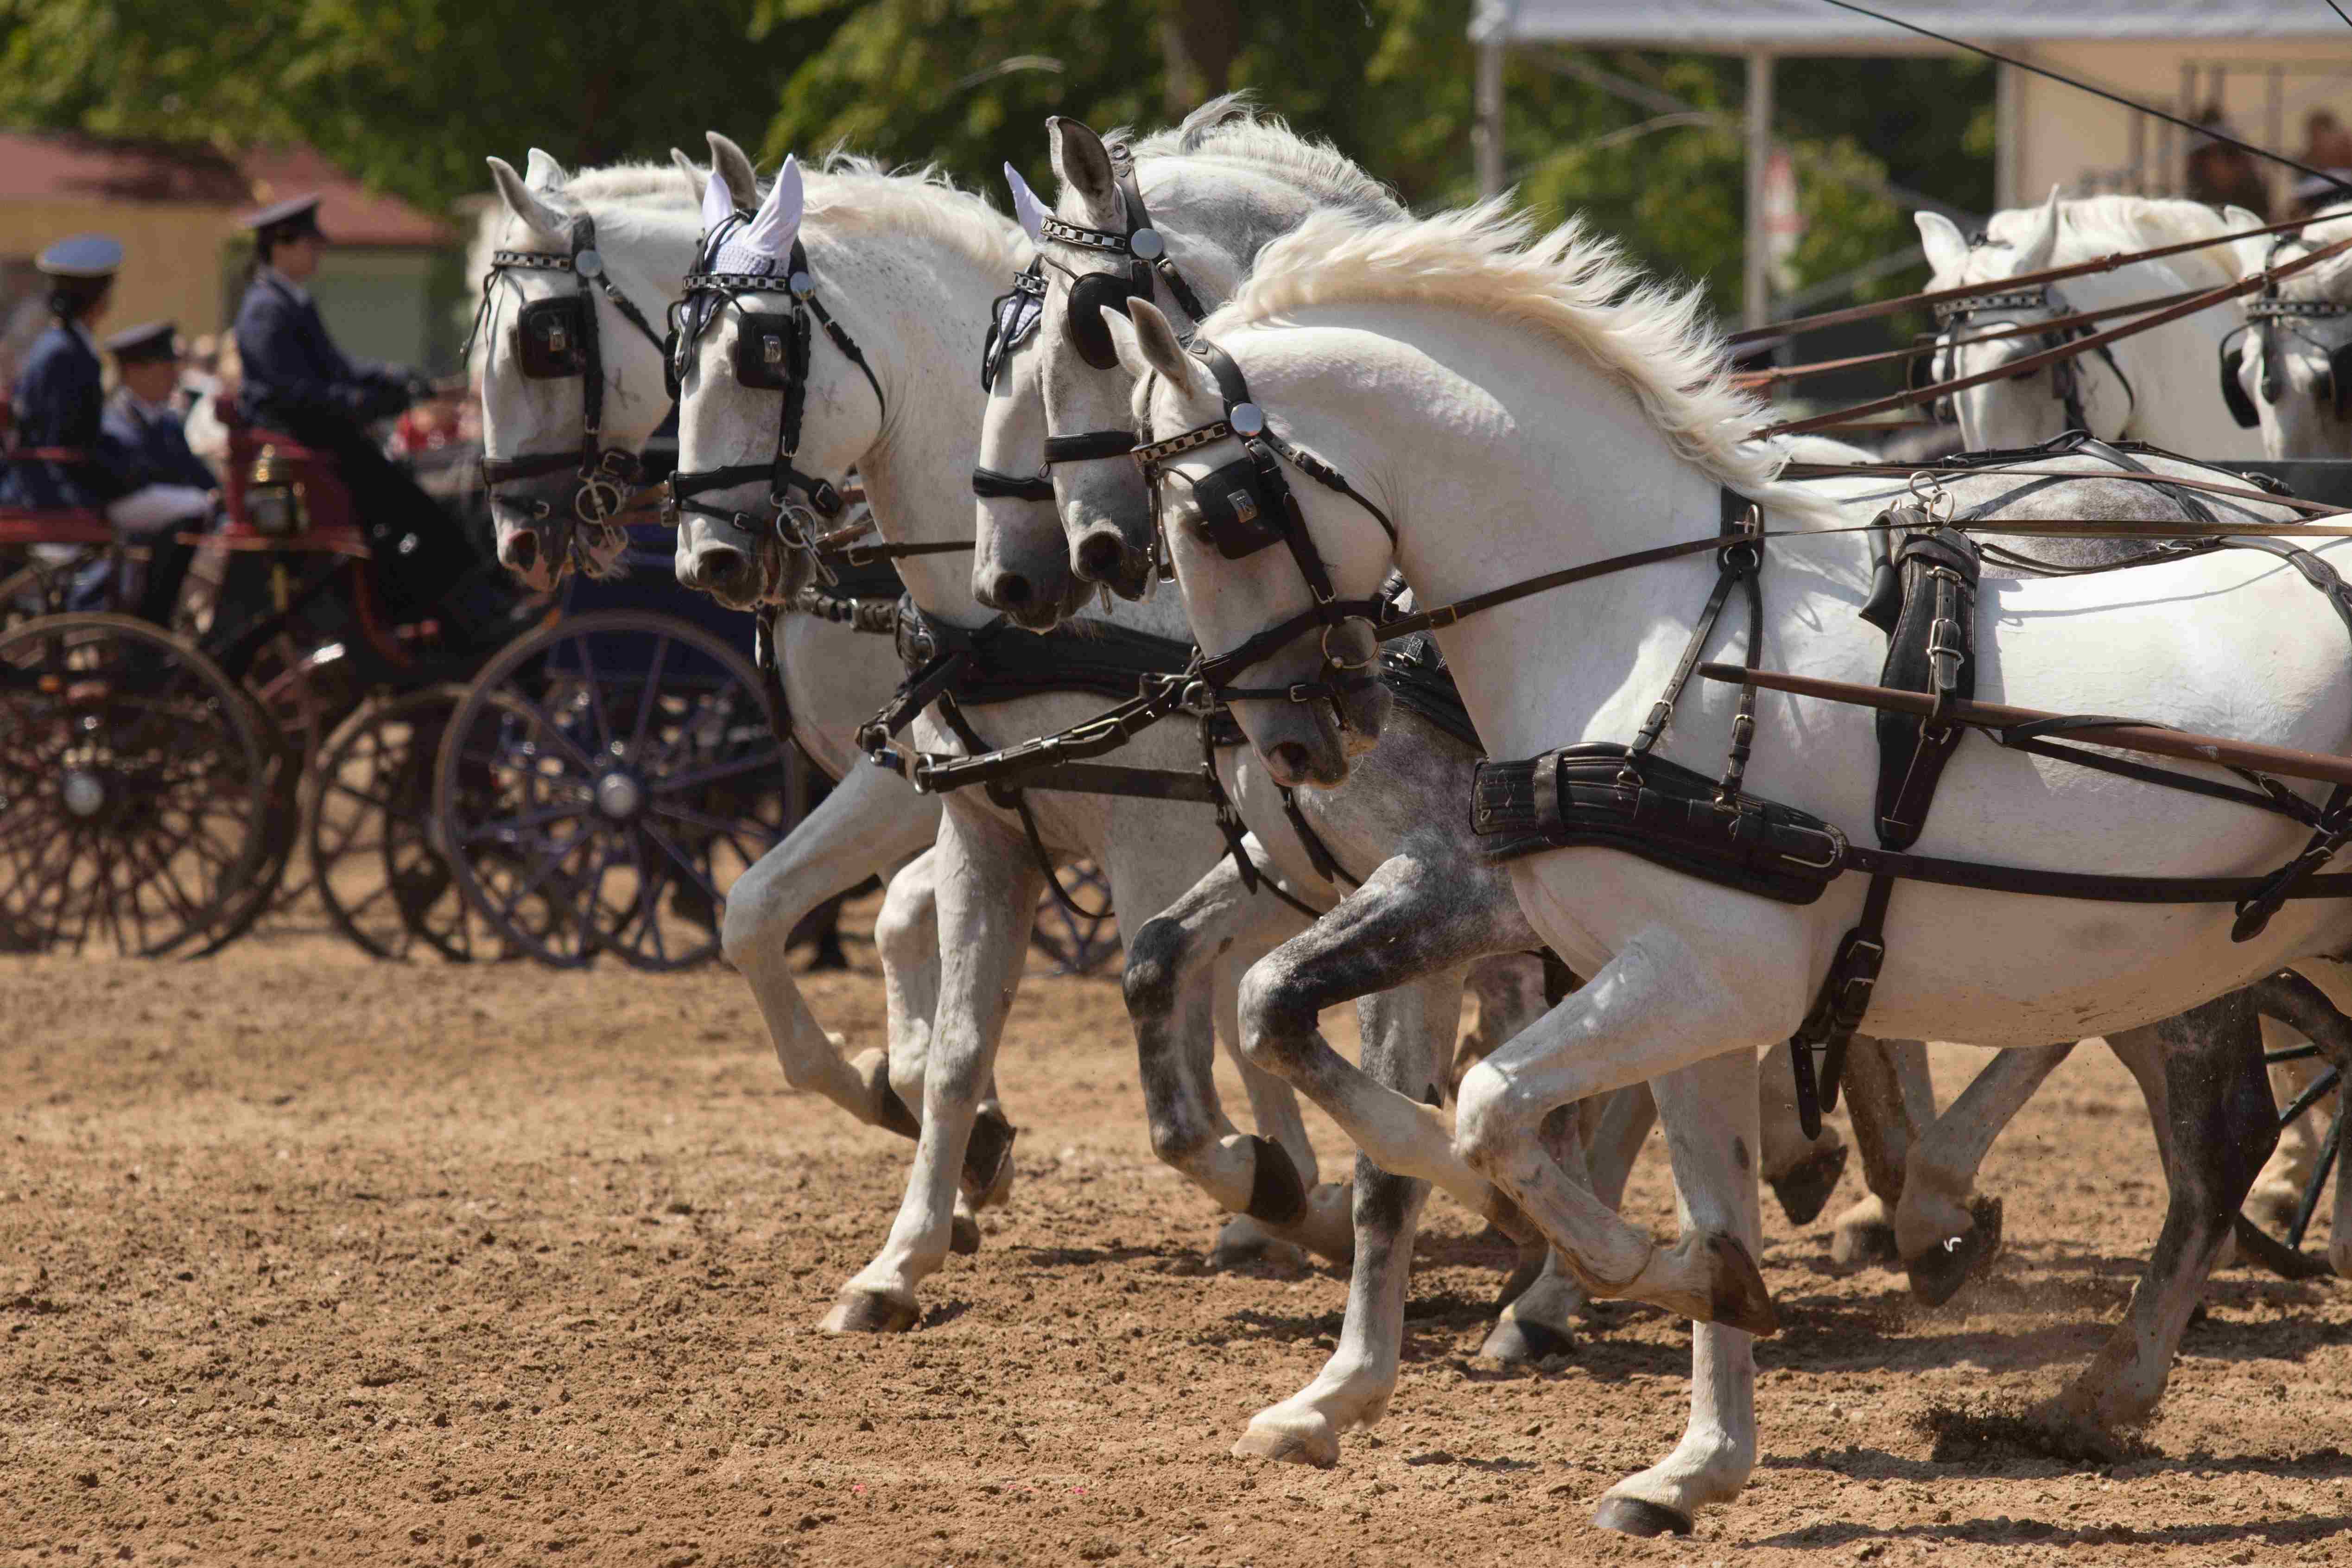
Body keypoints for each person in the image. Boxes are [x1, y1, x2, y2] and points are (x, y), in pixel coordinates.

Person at [232, 193, 477, 616]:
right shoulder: (265, 310)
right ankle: (450, 617)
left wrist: (406, 381)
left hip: (329, 441)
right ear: (280, 246)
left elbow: (340, 369)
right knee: (426, 519)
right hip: (312, 449)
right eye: (310, 243)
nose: (319, 251)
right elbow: (297, 397)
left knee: (424, 507)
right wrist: (377, 402)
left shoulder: (290, 301)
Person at [0, 236, 211, 623]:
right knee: (193, 509)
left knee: (182, 502)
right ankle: (153, 619)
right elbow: (70, 441)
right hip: (64, 490)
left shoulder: (61, 345)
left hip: (63, 480)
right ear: (99, 298)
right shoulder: (65, 351)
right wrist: (129, 472)